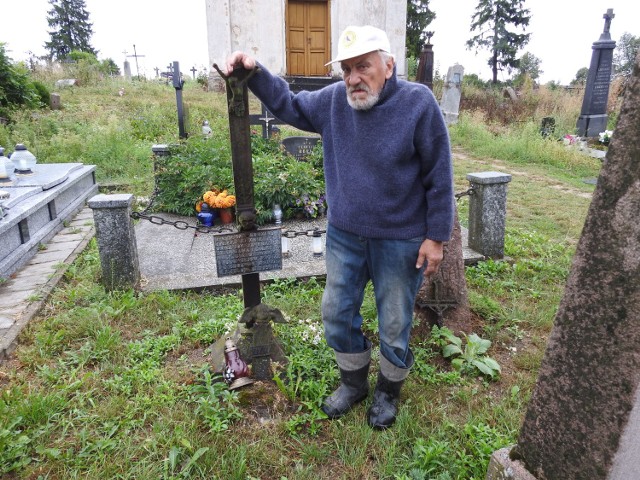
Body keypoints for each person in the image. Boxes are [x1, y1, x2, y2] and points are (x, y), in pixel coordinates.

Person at [224, 25, 454, 429]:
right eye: (346, 69)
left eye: (363, 66)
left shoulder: (418, 103)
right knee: (335, 311)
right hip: (346, 235)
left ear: (388, 65)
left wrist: (436, 238)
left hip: (401, 238)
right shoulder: (334, 101)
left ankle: (387, 391)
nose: (353, 79)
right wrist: (255, 72)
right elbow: (290, 105)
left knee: (396, 320)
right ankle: (353, 384)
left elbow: (439, 173)